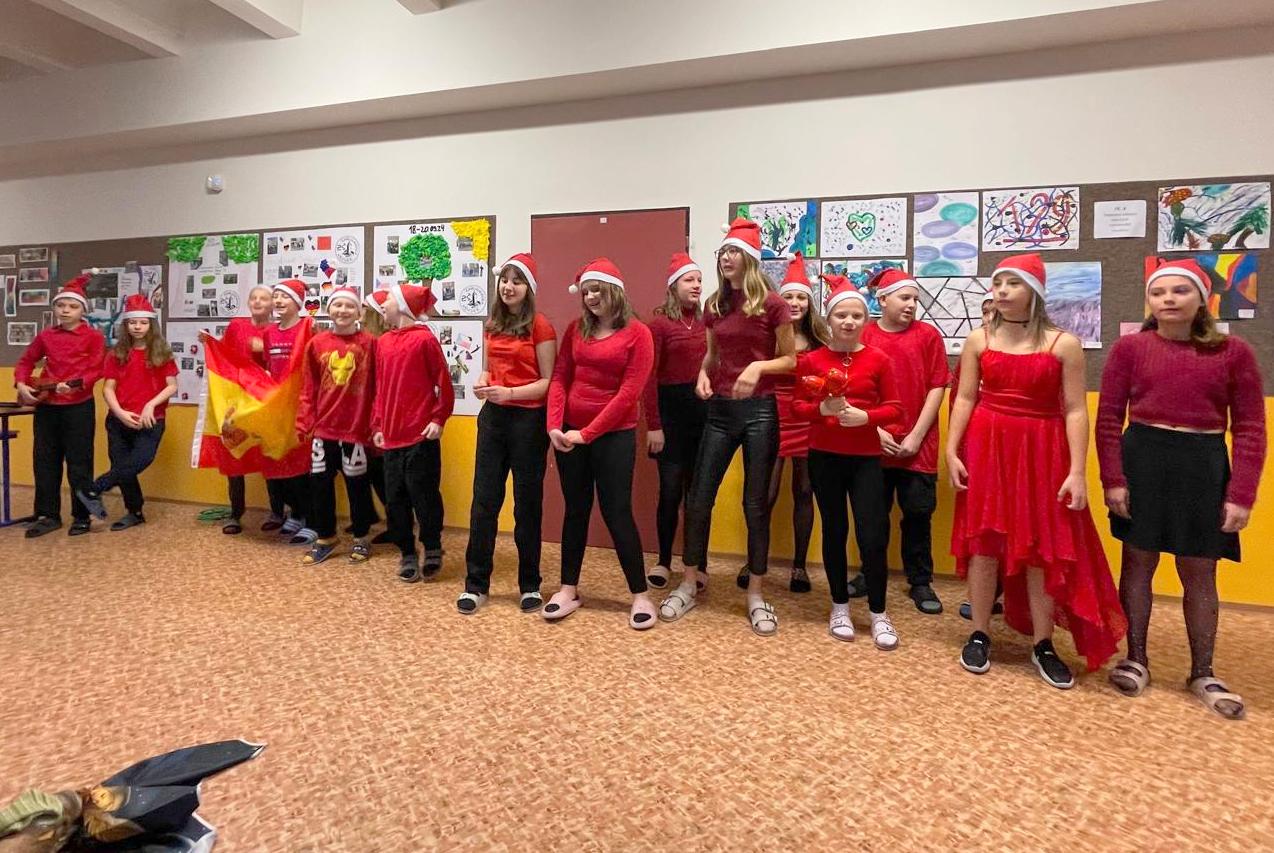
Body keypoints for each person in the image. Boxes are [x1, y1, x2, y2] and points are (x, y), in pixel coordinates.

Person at [946, 254, 1126, 688]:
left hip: (1043, 451)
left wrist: (1077, 471)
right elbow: (966, 397)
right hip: (988, 447)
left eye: (1013, 283)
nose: (1002, 290)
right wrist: (952, 450)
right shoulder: (979, 339)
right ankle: (979, 632)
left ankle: (1043, 643)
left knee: (1042, 548)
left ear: (1035, 291)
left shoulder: (1063, 343)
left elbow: (1075, 409)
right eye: (998, 283)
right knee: (984, 544)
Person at [1097, 258, 1266, 719]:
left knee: (1199, 569)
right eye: (1158, 292)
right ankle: (1136, 658)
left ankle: (1203, 672)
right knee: (1138, 562)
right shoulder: (1130, 349)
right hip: (1144, 460)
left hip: (1202, 465)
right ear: (1149, 301)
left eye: (1179, 291)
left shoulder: (1233, 352)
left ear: (1202, 299)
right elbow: (1108, 419)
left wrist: (1241, 494)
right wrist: (1113, 479)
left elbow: (1250, 428)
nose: (1168, 299)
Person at [659, 218, 796, 636]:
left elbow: (790, 360)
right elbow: (712, 354)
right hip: (720, 411)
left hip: (760, 412)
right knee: (699, 498)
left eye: (733, 251)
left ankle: (755, 593)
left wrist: (758, 367)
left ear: (749, 258)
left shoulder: (773, 304)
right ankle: (689, 582)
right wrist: (704, 373)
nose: (725, 258)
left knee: (755, 504)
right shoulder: (715, 305)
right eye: (722, 252)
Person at [544, 258, 655, 629]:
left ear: (614, 291)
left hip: (613, 436)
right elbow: (560, 377)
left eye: (597, 290)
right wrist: (554, 425)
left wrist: (587, 433)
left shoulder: (638, 334)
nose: (590, 297)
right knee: (575, 510)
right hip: (569, 435)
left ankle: (640, 595)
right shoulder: (577, 329)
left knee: (616, 511)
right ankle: (568, 589)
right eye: (586, 291)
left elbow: (629, 394)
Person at [794, 276, 904, 648]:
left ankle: (878, 613)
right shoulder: (811, 360)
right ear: (829, 319)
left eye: (856, 315)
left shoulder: (879, 359)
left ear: (865, 319)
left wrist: (867, 418)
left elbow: (896, 409)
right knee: (834, 530)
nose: (849, 321)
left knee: (872, 535)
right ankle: (839, 606)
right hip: (824, 457)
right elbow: (797, 407)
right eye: (841, 315)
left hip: (865, 460)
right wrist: (821, 410)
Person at [458, 254, 556, 614]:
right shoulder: (493, 323)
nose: (508, 287)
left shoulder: (540, 326)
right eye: (504, 280)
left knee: (527, 505)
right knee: (484, 502)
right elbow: (488, 369)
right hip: (494, 419)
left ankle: (530, 584)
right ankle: (476, 584)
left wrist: (510, 393)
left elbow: (548, 383)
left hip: (528, 422)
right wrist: (483, 382)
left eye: (517, 281)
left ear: (528, 288)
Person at [856, 268, 950, 614]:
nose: (911, 304)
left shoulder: (928, 336)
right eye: (904, 297)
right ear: (882, 300)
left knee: (918, 515)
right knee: (872, 515)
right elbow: (856, 387)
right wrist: (873, 431)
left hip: (917, 446)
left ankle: (920, 581)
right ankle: (869, 573)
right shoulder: (865, 334)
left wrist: (916, 435)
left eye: (915, 299)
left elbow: (937, 386)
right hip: (872, 443)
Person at [735, 252, 828, 594]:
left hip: (808, 420)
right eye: (789, 296)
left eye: (801, 297)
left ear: (809, 303)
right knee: (763, 494)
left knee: (804, 492)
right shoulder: (769, 334)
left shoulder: (820, 339)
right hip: (770, 417)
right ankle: (754, 560)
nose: (795, 303)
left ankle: (799, 567)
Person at [372, 282, 454, 582]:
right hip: (391, 439)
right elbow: (380, 388)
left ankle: (432, 546)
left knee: (424, 496)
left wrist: (438, 418)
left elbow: (443, 382)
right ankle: (406, 550)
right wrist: (378, 424)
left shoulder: (424, 340)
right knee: (395, 500)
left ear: (403, 306)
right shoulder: (383, 342)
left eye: (388, 300)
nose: (383, 304)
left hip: (421, 436)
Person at [75, 294, 177, 530]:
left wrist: (150, 405)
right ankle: (135, 512)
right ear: (126, 325)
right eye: (132, 322)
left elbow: (172, 386)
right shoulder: (116, 354)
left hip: (151, 420)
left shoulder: (162, 353)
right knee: (122, 467)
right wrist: (120, 413)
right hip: (119, 421)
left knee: (139, 460)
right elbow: (108, 388)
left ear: (151, 325)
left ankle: (94, 489)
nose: (137, 327)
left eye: (143, 322)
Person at [14, 274, 105, 538]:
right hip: (48, 407)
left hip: (78, 407)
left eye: (72, 306)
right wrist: (21, 383)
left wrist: (76, 385)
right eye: (61, 305)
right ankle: (48, 515)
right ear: (54, 308)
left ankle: (82, 516)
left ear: (82, 310)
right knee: (44, 461)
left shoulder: (94, 337)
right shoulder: (46, 336)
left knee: (80, 464)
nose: (65, 310)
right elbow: (26, 362)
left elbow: (97, 368)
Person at [295, 285, 378, 565]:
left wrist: (375, 423)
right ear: (328, 309)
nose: (343, 310)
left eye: (349, 306)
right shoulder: (316, 344)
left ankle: (361, 537)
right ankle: (326, 537)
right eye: (337, 305)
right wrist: (304, 421)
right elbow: (308, 386)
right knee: (319, 484)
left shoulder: (370, 343)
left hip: (356, 429)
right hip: (323, 428)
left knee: (357, 485)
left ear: (358, 312)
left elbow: (378, 386)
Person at [644, 252, 709, 591]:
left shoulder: (708, 322)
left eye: (699, 280)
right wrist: (654, 425)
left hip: (704, 415)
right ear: (673, 286)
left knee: (698, 495)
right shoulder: (659, 324)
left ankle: (699, 563)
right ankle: (664, 560)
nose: (696, 285)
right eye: (689, 280)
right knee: (670, 491)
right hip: (670, 415)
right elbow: (649, 377)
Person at [955, 294, 1003, 621]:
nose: (989, 317)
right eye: (985, 312)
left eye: (994, 311)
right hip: (980, 448)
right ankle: (982, 596)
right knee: (983, 526)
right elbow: (962, 399)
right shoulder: (975, 350)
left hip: (1018, 449)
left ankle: (1013, 596)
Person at [262, 278, 316, 545]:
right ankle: (295, 512)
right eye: (276, 297)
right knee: (278, 463)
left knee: (302, 466)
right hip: (277, 410)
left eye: (284, 297)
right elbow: (267, 367)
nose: (278, 301)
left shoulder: (309, 327)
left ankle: (310, 517)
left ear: (297, 302)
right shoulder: (269, 333)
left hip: (302, 407)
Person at [218, 284, 273, 535]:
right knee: (234, 454)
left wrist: (265, 348)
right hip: (236, 400)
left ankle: (278, 511)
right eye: (254, 298)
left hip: (264, 402)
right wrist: (209, 343)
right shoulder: (237, 326)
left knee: (271, 455)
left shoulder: (275, 331)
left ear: (272, 304)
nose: (258, 302)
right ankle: (235, 513)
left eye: (264, 298)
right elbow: (223, 354)